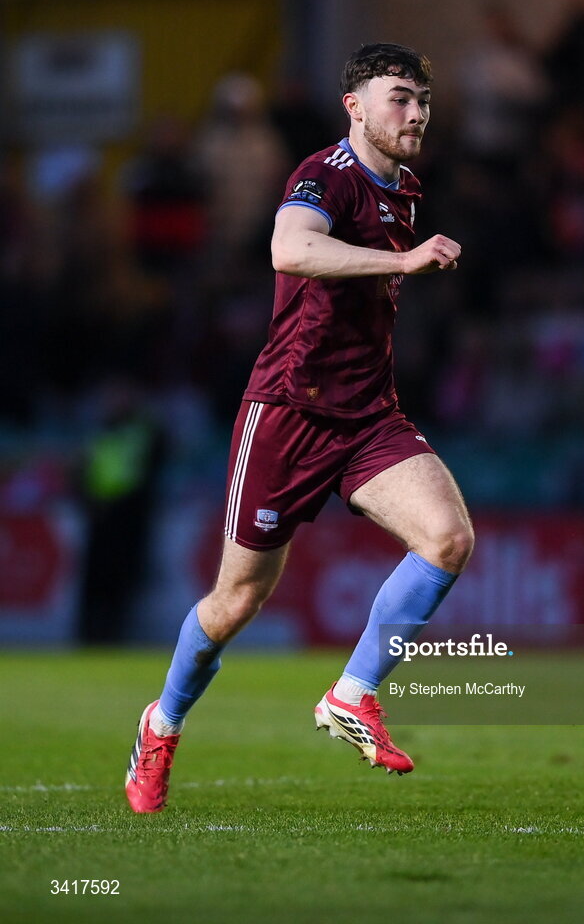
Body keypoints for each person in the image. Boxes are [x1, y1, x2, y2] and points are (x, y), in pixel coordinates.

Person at [125, 43, 475, 813]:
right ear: (354, 106)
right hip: (288, 410)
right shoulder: (323, 174)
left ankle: (351, 695)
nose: (415, 112)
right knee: (236, 602)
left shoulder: (405, 189)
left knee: (447, 539)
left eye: (422, 99)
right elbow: (290, 247)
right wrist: (406, 262)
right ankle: (162, 723)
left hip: (369, 412)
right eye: (398, 98)